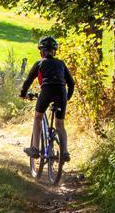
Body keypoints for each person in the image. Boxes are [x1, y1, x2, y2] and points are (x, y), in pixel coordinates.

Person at [19, 35, 75, 163]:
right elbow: (71, 83)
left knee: (38, 117)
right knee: (60, 124)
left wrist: (23, 94)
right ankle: (65, 152)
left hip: (47, 91)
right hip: (61, 92)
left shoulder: (39, 63)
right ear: (54, 52)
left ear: (41, 52)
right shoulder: (61, 63)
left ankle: (35, 149)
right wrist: (67, 98)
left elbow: (28, 81)